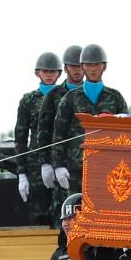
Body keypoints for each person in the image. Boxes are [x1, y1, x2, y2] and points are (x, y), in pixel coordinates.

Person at [51, 44, 128, 195]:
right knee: (76, 214)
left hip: (109, 168)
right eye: (88, 65)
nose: (92, 69)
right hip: (76, 168)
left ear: (104, 67)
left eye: (96, 64)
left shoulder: (115, 98)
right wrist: (58, 165)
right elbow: (59, 134)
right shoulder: (70, 99)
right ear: (82, 67)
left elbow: (125, 133)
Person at [35, 45, 84, 226]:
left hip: (90, 162)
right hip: (63, 163)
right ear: (65, 69)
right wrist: (48, 163)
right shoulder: (54, 95)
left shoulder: (97, 96)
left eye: (80, 66)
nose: (78, 70)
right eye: (73, 66)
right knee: (64, 212)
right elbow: (45, 132)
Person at [14, 52, 62, 226]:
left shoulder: (68, 97)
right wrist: (21, 173)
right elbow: (20, 138)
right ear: (38, 73)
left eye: (53, 71)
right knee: (39, 215)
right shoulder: (28, 100)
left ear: (59, 73)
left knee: (64, 214)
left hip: (62, 160)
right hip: (35, 165)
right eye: (45, 71)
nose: (49, 75)